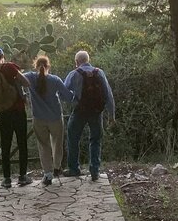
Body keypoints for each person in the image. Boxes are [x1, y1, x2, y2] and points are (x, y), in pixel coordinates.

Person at [64, 50, 115, 181]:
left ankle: (74, 169)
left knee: (73, 138)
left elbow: (64, 93)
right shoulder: (100, 72)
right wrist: (112, 115)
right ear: (88, 60)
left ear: (76, 62)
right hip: (96, 112)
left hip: (79, 111)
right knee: (96, 140)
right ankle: (95, 171)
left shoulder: (73, 74)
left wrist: (73, 99)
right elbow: (108, 95)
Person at [24, 55, 74, 186]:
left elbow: (18, 79)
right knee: (57, 143)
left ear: (35, 66)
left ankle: (48, 173)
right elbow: (68, 97)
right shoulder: (55, 80)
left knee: (43, 145)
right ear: (48, 66)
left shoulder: (29, 77)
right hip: (55, 118)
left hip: (39, 118)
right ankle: (57, 167)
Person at [0, 47, 33, 188]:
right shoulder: (9, 67)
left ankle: (6, 179)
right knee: (22, 143)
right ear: (3, 56)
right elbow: (26, 82)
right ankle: (22, 176)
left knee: (5, 146)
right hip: (17, 111)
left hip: (3, 113)